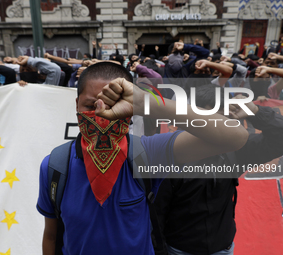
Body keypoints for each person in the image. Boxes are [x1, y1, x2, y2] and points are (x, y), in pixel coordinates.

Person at [36, 62, 249, 255]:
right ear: (76, 105)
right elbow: (51, 235)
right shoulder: (55, 166)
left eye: (112, 106)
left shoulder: (146, 154)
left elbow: (235, 137)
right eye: (90, 107)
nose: (102, 116)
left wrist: (148, 103)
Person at [154, 84, 283, 255]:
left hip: (223, 247)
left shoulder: (236, 149)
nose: (215, 127)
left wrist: (255, 111)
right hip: (179, 249)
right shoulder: (166, 152)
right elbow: (155, 216)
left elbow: (278, 140)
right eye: (207, 118)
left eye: (221, 119)